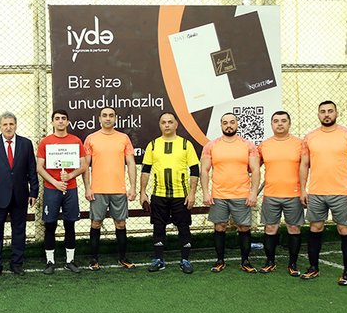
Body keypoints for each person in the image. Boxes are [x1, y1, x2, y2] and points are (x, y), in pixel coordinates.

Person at [299, 101, 347, 283]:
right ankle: (313, 268)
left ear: (336, 113)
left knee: (344, 229)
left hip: (342, 192)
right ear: (318, 114)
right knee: (315, 228)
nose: (327, 114)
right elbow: (304, 164)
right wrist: (303, 189)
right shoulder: (310, 137)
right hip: (316, 192)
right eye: (323, 111)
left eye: (330, 111)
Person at [139, 111, 199, 274]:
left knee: (183, 227)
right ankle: (159, 260)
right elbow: (146, 170)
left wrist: (192, 193)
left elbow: (194, 170)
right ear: (159, 125)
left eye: (170, 122)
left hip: (181, 195)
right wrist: (142, 192)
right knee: (158, 227)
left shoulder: (186, 144)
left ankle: (185, 260)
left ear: (176, 124)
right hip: (159, 195)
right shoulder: (153, 145)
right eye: (163, 122)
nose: (167, 125)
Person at [200, 112, 260, 273]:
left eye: (232, 122)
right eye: (225, 123)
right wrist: (206, 192)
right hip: (219, 195)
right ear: (221, 125)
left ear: (237, 124)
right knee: (219, 227)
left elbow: (255, 170)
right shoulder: (211, 146)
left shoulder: (248, 145)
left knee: (244, 227)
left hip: (242, 195)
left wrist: (253, 193)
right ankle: (220, 261)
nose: (229, 125)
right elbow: (204, 170)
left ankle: (245, 261)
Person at [0, 111, 38, 278]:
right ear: (0, 126)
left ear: (16, 125)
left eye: (11, 124)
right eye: (5, 124)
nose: (8, 127)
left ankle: (16, 263)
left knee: (19, 230)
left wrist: (33, 191)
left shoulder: (26, 144)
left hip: (20, 195)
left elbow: (31, 169)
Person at [83, 107, 137, 270]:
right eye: (105, 115)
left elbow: (131, 163)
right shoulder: (91, 139)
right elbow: (85, 166)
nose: (108, 118)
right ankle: (94, 259)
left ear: (115, 119)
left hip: (119, 190)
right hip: (97, 190)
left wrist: (133, 187)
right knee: (96, 223)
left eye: (111, 116)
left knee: (120, 224)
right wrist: (87, 188)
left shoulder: (124, 138)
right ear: (99, 119)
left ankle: (122, 258)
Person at [36, 110, 88, 274]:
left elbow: (84, 165)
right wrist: (56, 182)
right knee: (50, 224)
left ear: (68, 122)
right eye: (57, 119)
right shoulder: (46, 142)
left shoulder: (76, 141)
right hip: (52, 189)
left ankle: (70, 260)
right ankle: (50, 261)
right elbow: (39, 167)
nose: (60, 121)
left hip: (70, 188)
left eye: (63, 119)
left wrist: (70, 175)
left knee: (70, 223)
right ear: (52, 122)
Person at [257, 111, 305, 275]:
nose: (280, 124)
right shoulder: (264, 145)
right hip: (271, 195)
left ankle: (293, 264)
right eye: (276, 121)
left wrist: (304, 190)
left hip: (294, 194)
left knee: (294, 228)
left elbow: (308, 167)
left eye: (283, 121)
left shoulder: (300, 144)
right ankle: (270, 262)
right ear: (271, 124)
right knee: (270, 228)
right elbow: (253, 167)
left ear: (289, 124)